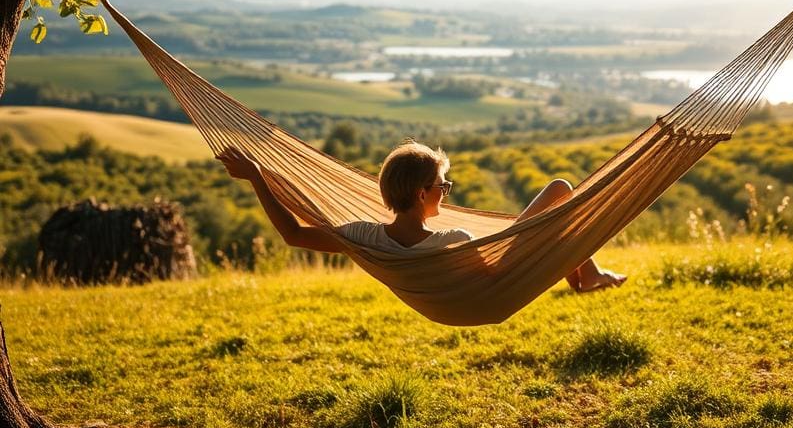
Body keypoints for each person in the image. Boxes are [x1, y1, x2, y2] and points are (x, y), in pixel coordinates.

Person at [218, 140, 626, 292]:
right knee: (560, 191)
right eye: (442, 186)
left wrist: (257, 178)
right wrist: (545, 249)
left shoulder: (365, 237)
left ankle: (585, 273)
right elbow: (502, 275)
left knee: (555, 214)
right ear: (420, 193)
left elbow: (293, 234)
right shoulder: (455, 240)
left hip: (463, 290)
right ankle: (586, 273)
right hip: (493, 286)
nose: (446, 193)